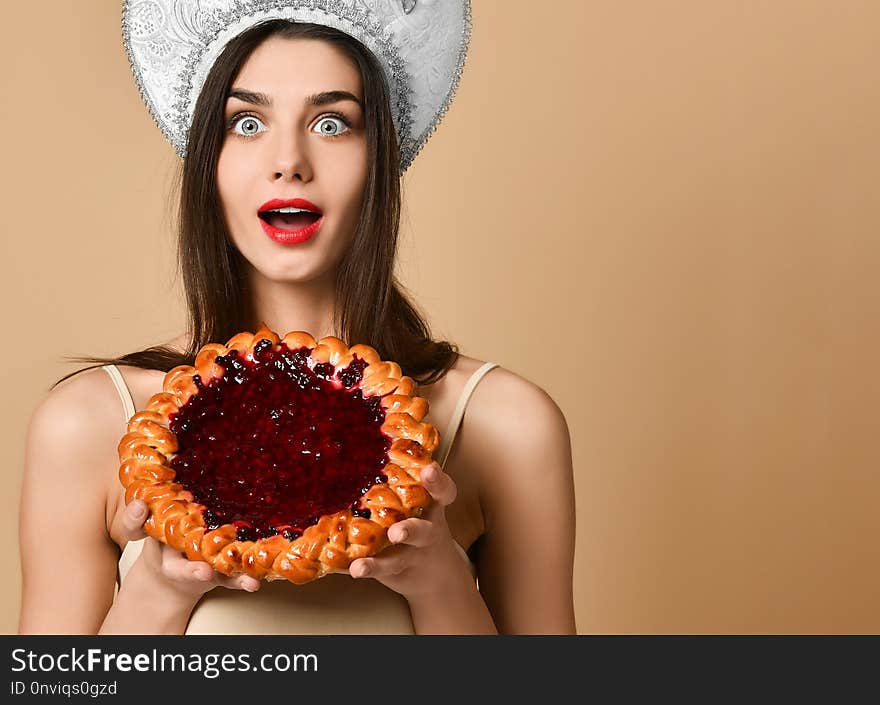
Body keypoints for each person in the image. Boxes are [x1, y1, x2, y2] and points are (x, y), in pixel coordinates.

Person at [18, 2, 575, 635]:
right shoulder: (90, 424)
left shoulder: (505, 424)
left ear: (381, 160)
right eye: (247, 122)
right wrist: (158, 589)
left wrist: (438, 576)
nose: (289, 160)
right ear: (209, 161)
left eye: (333, 123)